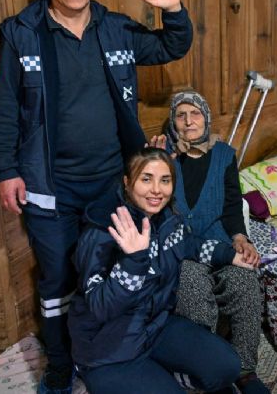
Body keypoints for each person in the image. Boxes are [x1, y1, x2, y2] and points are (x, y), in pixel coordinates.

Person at [0, 0, 192, 393]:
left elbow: (171, 46)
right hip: (49, 188)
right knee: (58, 279)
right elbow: (2, 109)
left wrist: (173, 9)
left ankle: (116, 352)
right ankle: (61, 368)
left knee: (113, 270)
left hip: (113, 184)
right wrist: (6, 170)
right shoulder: (20, 33)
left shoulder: (115, 27)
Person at [68, 147, 246, 394]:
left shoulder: (166, 218)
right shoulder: (102, 232)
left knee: (227, 367)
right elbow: (101, 307)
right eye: (146, 179)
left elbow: (187, 244)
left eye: (165, 180)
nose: (156, 190)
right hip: (107, 351)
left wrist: (229, 254)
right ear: (127, 182)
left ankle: (167, 377)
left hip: (155, 327)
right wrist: (133, 261)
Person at [160, 90, 269, 394]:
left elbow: (232, 205)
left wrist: (240, 238)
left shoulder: (224, 155)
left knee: (245, 279)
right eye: (180, 115)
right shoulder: (165, 157)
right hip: (184, 250)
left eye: (195, 113)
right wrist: (163, 161)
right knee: (192, 287)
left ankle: (245, 370)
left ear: (205, 118)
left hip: (221, 241)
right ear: (173, 123)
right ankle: (209, 370)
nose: (188, 121)